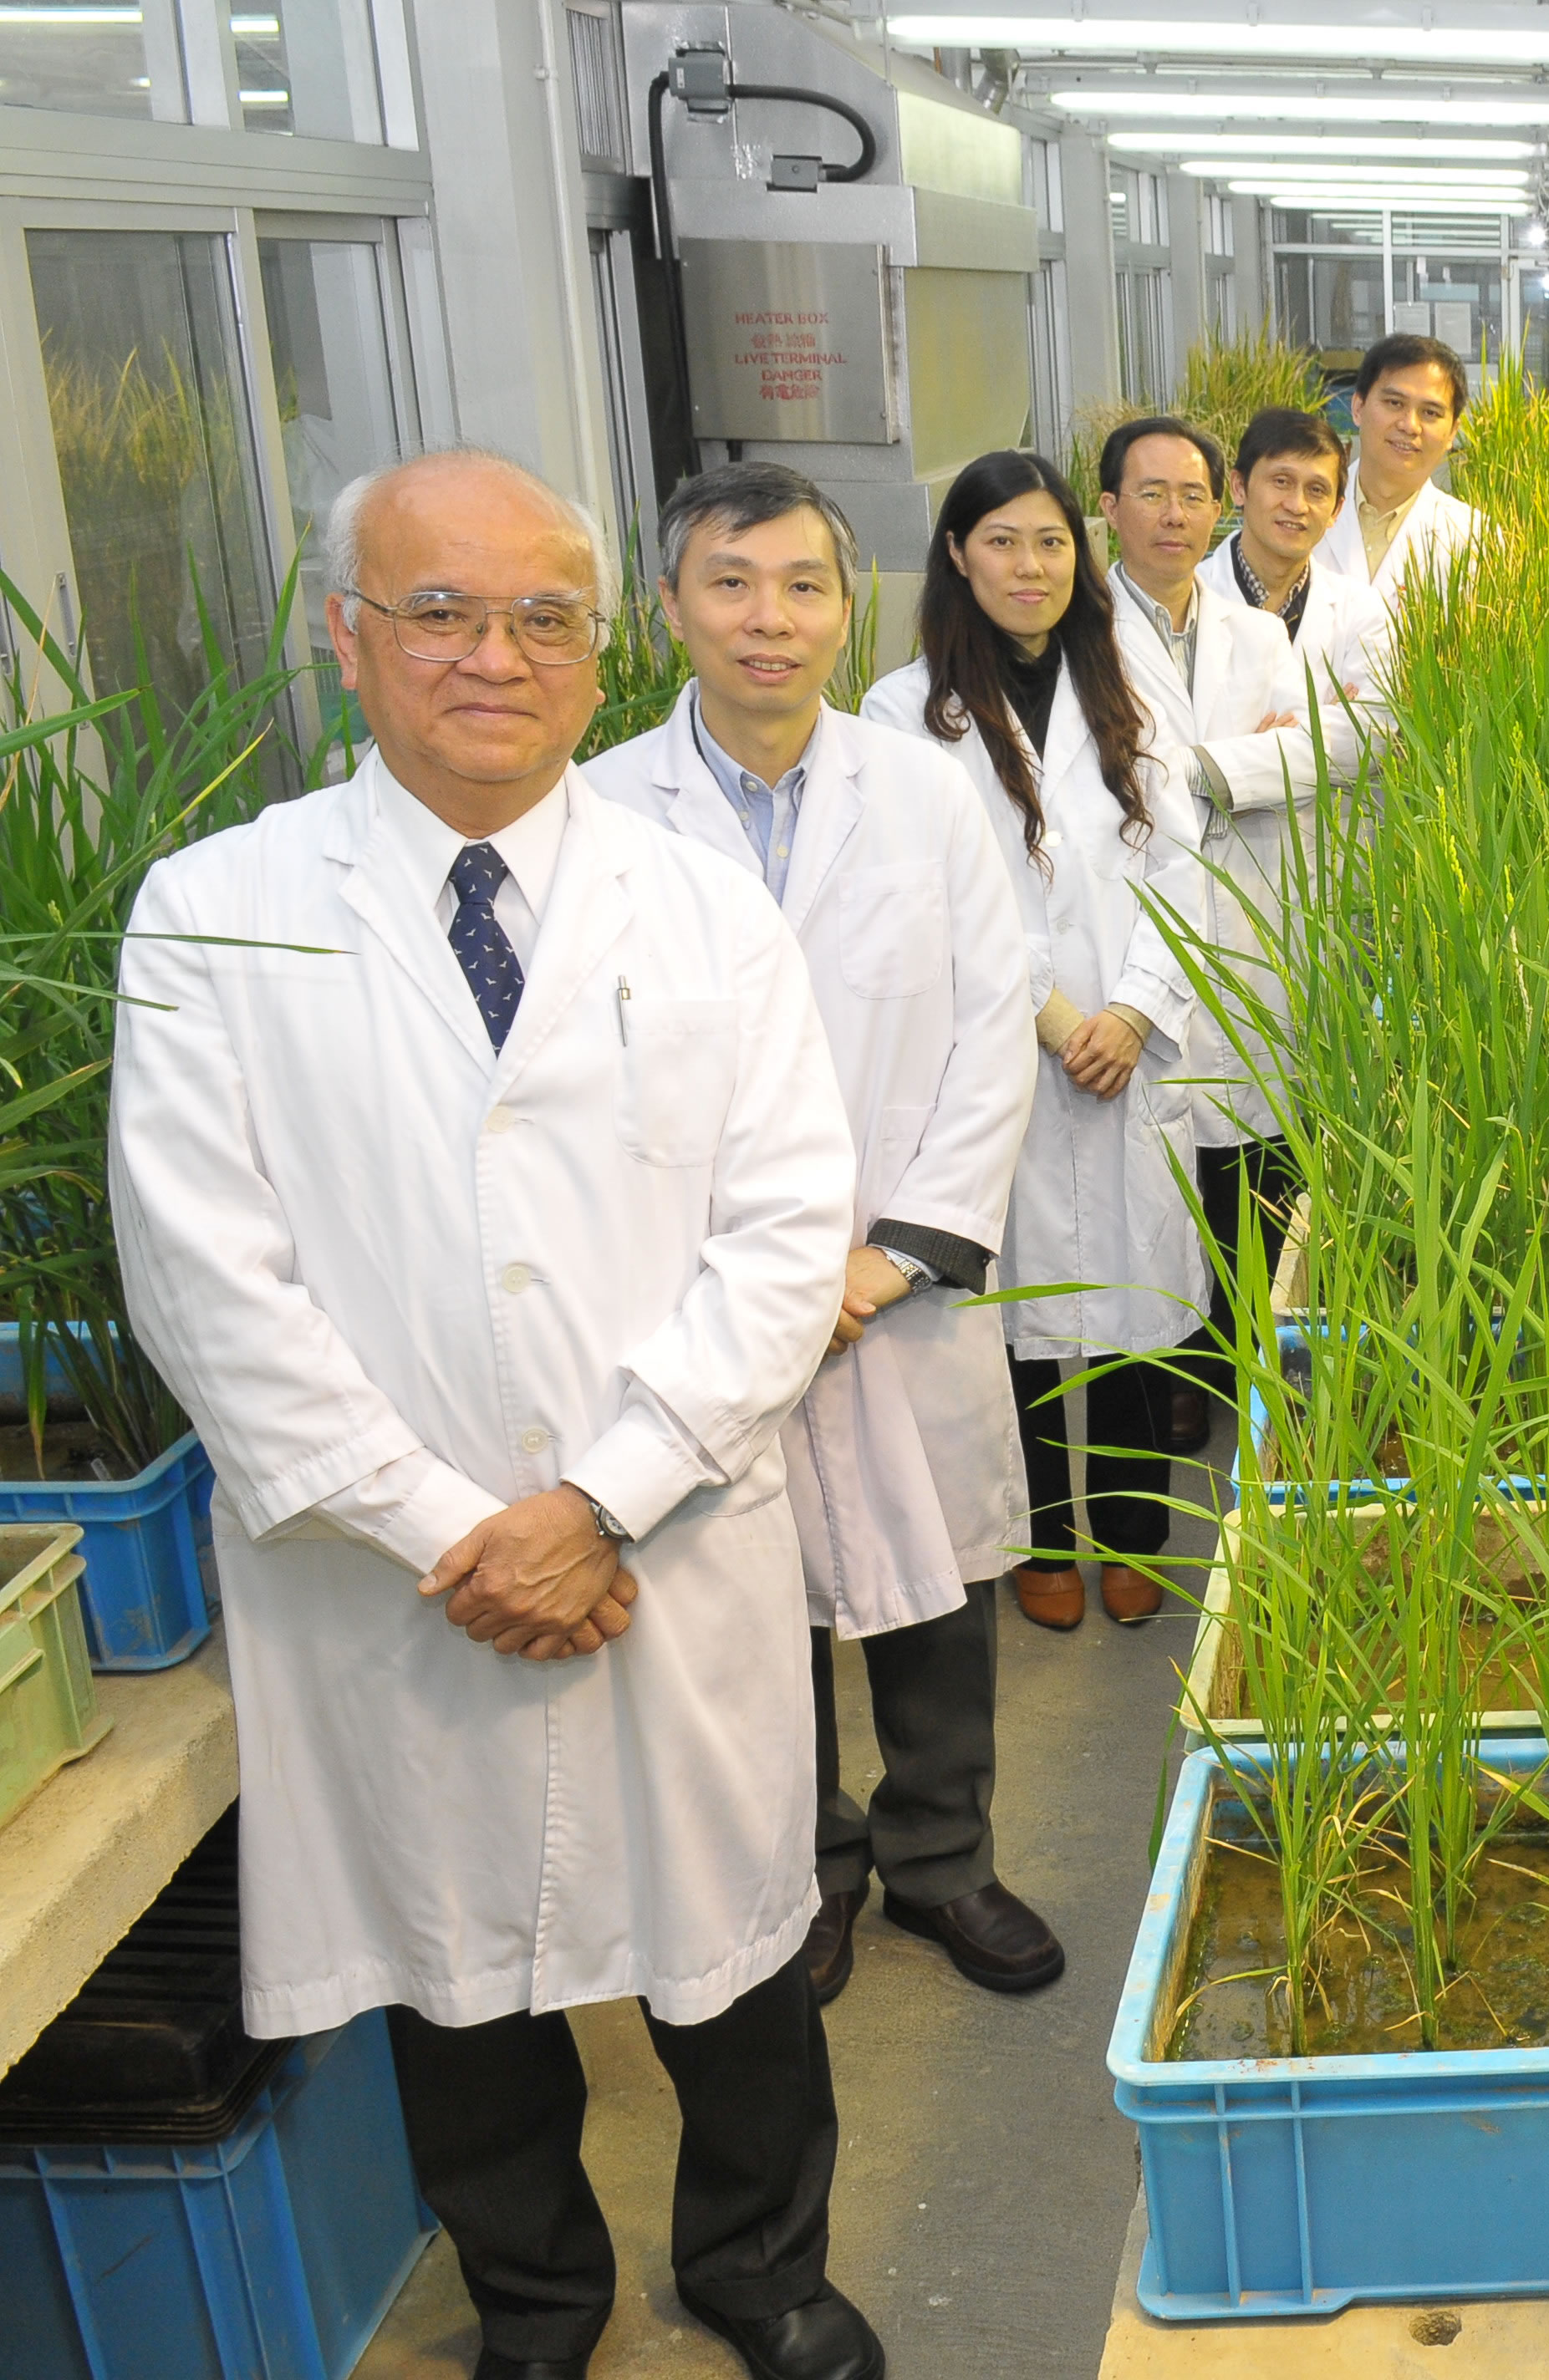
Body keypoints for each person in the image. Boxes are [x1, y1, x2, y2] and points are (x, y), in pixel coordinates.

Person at [108, 449, 881, 2380]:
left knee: (737, 1958)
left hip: (666, 1541)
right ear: (347, 640)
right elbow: (207, 1272)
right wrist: (450, 1522)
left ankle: (761, 2268)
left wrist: (599, 1497)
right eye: (436, 610)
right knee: (454, 1975)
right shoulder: (218, 912)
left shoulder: (704, 914)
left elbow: (790, 1233)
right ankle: (538, 2296)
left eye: (542, 615)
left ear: (593, 652)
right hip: (400, 1576)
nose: (491, 654)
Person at [582, 461, 1062, 2008]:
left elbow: (994, 1026)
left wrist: (895, 1252)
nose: (768, 620)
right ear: (669, 609)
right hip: (705, 1293)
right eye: (731, 584)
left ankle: (945, 1858)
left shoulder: (921, 789)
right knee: (749, 1603)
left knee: (931, 1586)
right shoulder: (598, 816)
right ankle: (807, 1870)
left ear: (846, 610)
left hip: (895, 1285)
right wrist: (762, 1282)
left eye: (801, 586)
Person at [862, 450, 1210, 1635]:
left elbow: (1184, 866)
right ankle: (1037, 1537)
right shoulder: (900, 712)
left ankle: (1131, 1528)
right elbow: (933, 902)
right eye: (1002, 541)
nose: (1030, 565)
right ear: (957, 554)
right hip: (994, 1054)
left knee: (1125, 1303)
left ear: (1082, 552)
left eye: (1051, 542)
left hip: (1129, 1042)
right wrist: (1058, 1016)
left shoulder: (1134, 687)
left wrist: (1136, 1009)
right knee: (1007, 1315)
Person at [1094, 410, 1363, 1450]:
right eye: (1152, 494)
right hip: (1138, 924)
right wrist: (1233, 766)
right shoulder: (1087, 627)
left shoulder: (1265, 630)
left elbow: (1346, 742)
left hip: (1264, 909)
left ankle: (1239, 1358)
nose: (1175, 513)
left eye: (1187, 495)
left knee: (1254, 1161)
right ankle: (1180, 1370)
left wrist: (1214, 769)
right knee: (1161, 1179)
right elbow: (1104, 783)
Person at [1205, 404, 1392, 736]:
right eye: (1281, 481)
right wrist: (1322, 723)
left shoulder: (1363, 611)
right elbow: (1180, 749)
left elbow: (1373, 736)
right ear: (1238, 487)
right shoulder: (1191, 599)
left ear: (1336, 510)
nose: (1297, 505)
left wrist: (1244, 745)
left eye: (1317, 490)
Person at [1316, 331, 1483, 612]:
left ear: (1453, 431)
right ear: (1358, 407)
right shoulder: (1302, 515)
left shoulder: (1476, 540)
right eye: (1395, 403)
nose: (1410, 425)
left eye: (1430, 413)